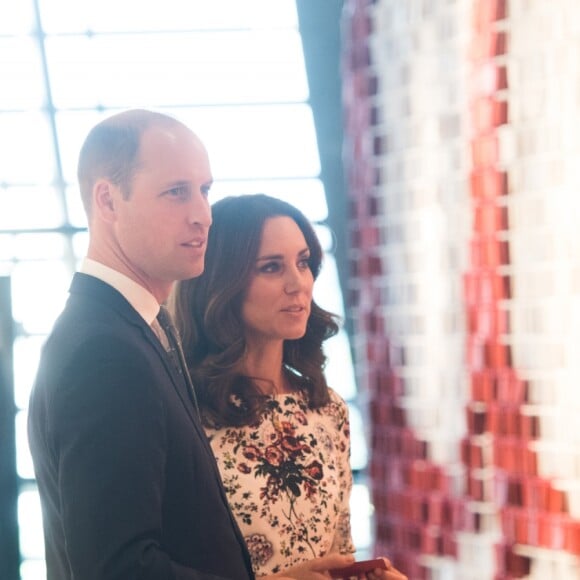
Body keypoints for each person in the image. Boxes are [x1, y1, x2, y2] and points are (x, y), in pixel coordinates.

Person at [27, 109, 259, 580]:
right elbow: (118, 568)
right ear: (108, 201)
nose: (203, 215)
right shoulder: (104, 351)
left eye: (204, 190)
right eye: (176, 192)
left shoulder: (136, 326)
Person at [172, 194, 406, 580]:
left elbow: (338, 561)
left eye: (303, 263)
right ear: (222, 282)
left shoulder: (326, 408)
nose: (298, 283)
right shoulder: (185, 412)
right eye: (270, 267)